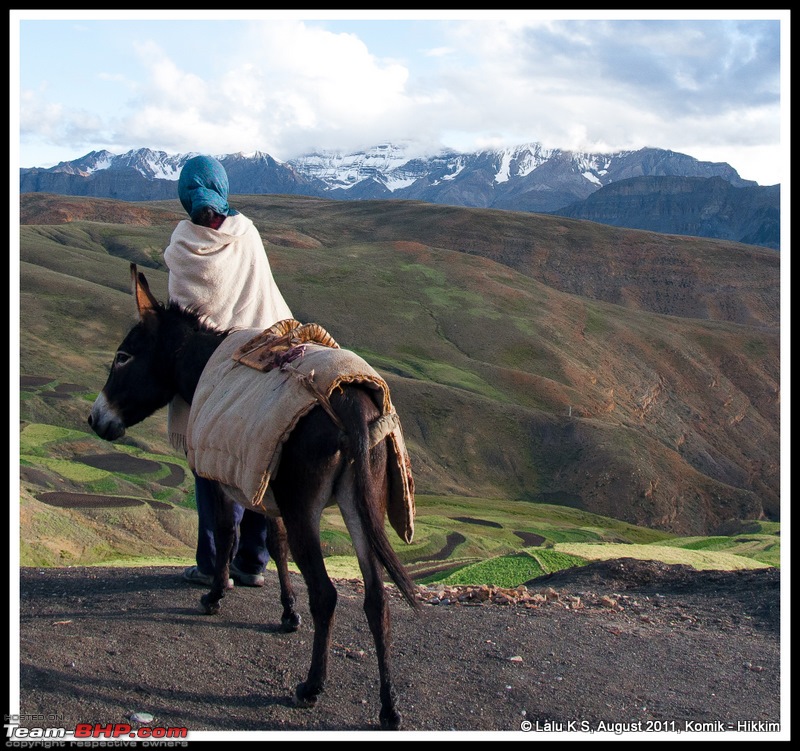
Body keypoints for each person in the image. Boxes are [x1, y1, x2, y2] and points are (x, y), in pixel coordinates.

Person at [163, 154, 294, 589]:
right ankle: (252, 562)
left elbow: (186, 324)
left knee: (212, 465)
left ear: (185, 197)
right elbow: (261, 298)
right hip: (264, 361)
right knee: (258, 456)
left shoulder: (182, 245)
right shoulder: (247, 232)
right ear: (223, 192)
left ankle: (213, 563)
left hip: (215, 374)